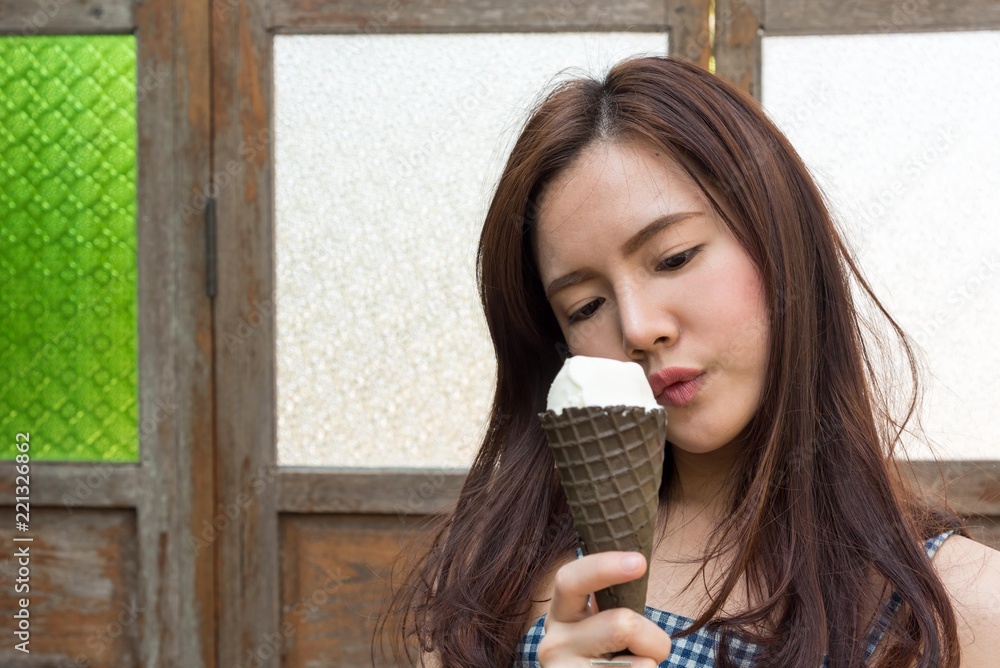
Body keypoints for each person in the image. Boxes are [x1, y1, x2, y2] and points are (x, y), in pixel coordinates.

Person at [378, 55, 1000, 667]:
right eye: (586, 305)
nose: (640, 329)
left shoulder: (959, 611)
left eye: (674, 258)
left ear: (780, 241)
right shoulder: (497, 579)